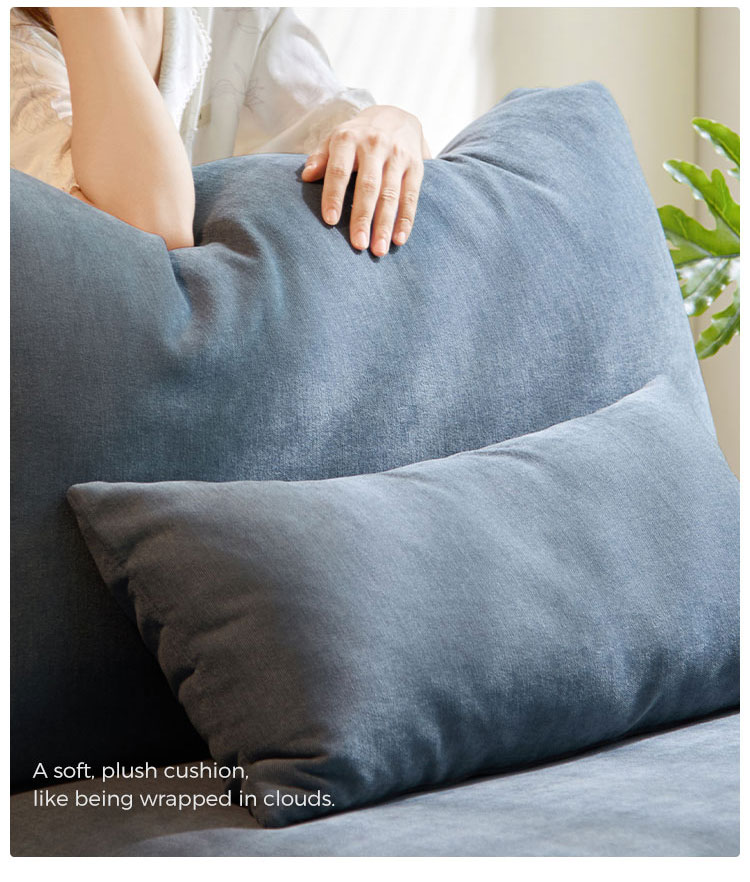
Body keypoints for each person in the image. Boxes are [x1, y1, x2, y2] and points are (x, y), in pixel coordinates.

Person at [10, 6, 430, 254]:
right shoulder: (18, 57)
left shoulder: (236, 15)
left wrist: (394, 122)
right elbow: (150, 246)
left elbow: (363, 144)